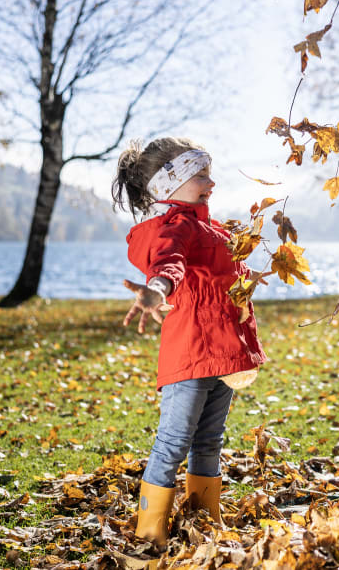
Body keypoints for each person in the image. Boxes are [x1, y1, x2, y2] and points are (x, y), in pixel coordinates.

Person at [112, 137, 267, 545]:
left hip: (220, 354)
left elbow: (221, 274)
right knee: (174, 441)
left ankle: (204, 520)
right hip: (193, 353)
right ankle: (151, 531)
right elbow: (170, 262)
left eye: (209, 173)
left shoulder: (209, 228)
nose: (210, 182)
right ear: (168, 186)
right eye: (200, 175)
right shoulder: (177, 227)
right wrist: (157, 290)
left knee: (209, 440)